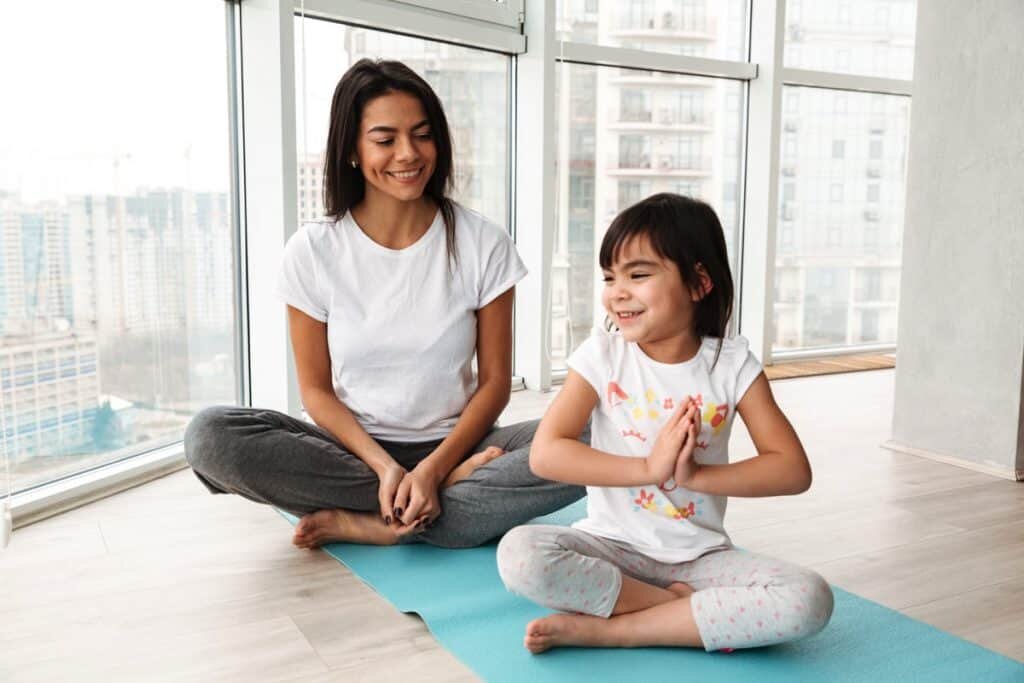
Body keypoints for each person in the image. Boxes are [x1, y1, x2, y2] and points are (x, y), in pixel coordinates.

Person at [184, 59, 583, 549]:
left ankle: (384, 521)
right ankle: (433, 505)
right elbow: (317, 392)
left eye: (422, 135)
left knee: (602, 435)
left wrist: (436, 468)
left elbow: (495, 385)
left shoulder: (483, 242)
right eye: (385, 139)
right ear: (352, 148)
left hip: (462, 444)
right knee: (210, 436)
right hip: (353, 450)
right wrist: (386, 467)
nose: (408, 154)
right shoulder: (313, 251)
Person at [496, 193, 833, 653]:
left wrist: (696, 476)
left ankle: (618, 629)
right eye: (610, 277)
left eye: (638, 275)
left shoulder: (732, 365)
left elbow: (792, 470)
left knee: (809, 599)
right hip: (610, 548)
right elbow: (547, 452)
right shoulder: (603, 356)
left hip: (700, 560)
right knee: (520, 554)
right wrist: (648, 469)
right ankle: (673, 610)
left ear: (698, 283)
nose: (617, 291)